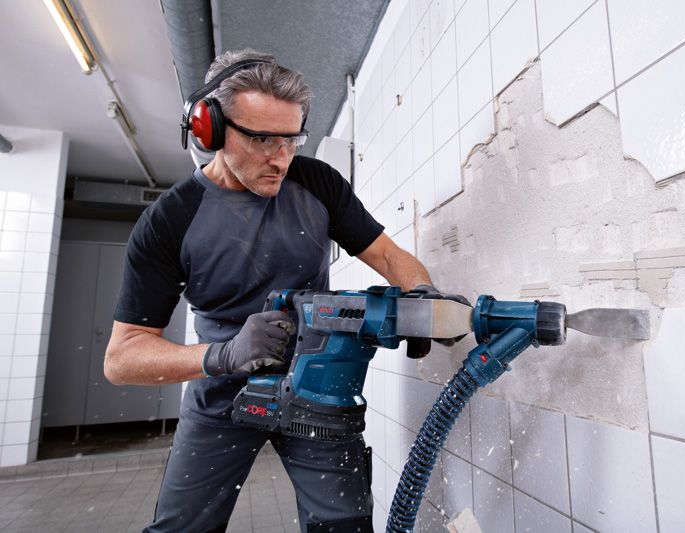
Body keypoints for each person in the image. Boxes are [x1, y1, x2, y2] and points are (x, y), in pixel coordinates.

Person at [104, 49, 457, 533]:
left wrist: (424, 299)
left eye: (292, 140)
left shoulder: (317, 184)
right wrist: (224, 355)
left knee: (345, 524)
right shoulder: (169, 222)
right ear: (211, 129)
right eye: (263, 139)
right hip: (220, 395)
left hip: (319, 387)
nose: (281, 158)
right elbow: (122, 359)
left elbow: (391, 257)